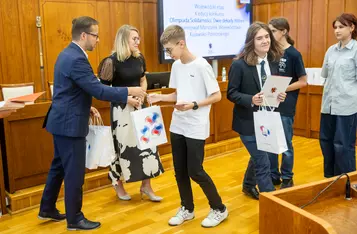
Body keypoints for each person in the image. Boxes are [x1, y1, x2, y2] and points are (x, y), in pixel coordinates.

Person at [38, 16, 146, 231]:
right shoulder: (76, 58)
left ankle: (47, 208)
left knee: (58, 167)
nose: (98, 40)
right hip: (70, 125)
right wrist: (128, 91)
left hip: (62, 120)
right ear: (84, 35)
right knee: (74, 173)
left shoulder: (67, 53)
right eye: (95, 35)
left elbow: (71, 90)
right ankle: (75, 219)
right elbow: (98, 90)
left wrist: (86, 107)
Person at [148, 25, 228, 228]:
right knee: (179, 171)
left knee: (195, 170)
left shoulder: (202, 66)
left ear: (181, 43)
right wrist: (159, 97)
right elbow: (178, 94)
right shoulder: (176, 66)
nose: (168, 54)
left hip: (196, 125)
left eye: (169, 49)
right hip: (178, 125)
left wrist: (193, 105)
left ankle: (219, 208)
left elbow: (216, 96)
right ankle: (187, 209)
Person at [98, 25, 164, 202]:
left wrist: (142, 93)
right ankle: (117, 183)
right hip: (121, 110)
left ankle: (146, 186)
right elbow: (103, 90)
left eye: (138, 38)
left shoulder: (139, 58)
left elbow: (143, 79)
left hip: (139, 107)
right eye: (134, 38)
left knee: (147, 146)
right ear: (123, 40)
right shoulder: (110, 62)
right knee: (123, 148)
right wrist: (127, 97)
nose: (138, 42)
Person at [227, 22, 286, 200]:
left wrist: (279, 96)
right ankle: (272, 201)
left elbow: (272, 89)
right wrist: (250, 99)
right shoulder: (239, 65)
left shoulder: (274, 61)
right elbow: (231, 93)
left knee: (260, 155)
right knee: (263, 161)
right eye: (259, 38)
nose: (264, 41)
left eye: (267, 36)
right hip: (248, 122)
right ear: (251, 42)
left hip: (268, 119)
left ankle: (248, 185)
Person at [267, 17, 307, 189]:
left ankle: (287, 177)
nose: (270, 35)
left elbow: (303, 81)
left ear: (283, 32)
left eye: (273, 31)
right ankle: (273, 175)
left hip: (285, 106)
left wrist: (284, 89)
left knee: (285, 144)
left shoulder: (294, 54)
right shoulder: (269, 52)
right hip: (269, 104)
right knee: (270, 143)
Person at [319, 13, 357, 178]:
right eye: (335, 27)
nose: (337, 30)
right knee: (326, 143)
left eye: (341, 27)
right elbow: (325, 74)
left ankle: (347, 184)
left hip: (347, 107)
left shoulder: (355, 50)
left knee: (343, 145)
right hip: (328, 106)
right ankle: (329, 181)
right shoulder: (330, 51)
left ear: (352, 28)